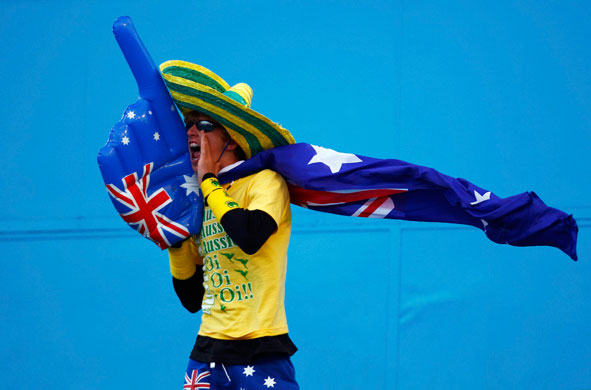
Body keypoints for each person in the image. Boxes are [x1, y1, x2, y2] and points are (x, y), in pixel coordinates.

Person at [160, 60, 299, 390]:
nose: (191, 131)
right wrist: (174, 240)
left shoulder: (265, 183)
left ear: (233, 139)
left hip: (260, 350)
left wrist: (208, 183)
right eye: (188, 124)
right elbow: (192, 298)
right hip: (207, 349)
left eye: (203, 124)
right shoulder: (199, 201)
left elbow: (250, 235)